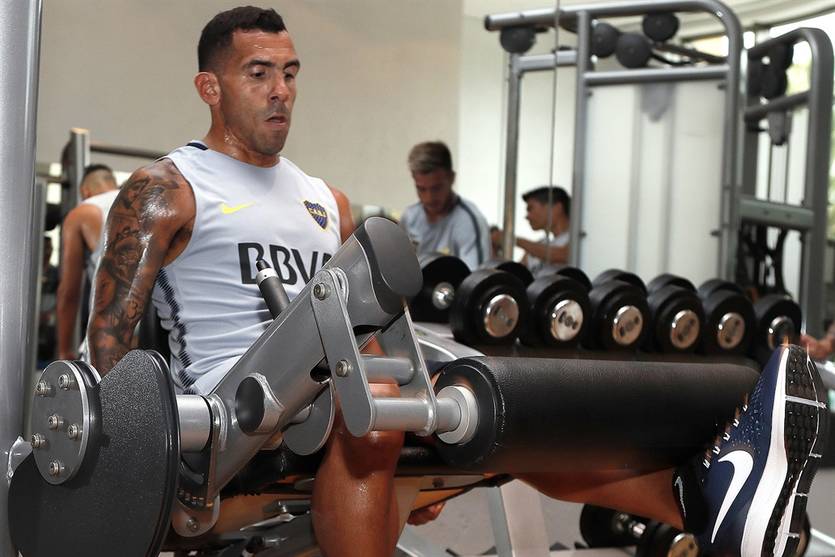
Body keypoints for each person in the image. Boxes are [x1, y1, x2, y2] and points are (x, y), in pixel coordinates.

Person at [86, 8, 828, 557]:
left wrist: (424, 416)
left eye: (290, 73)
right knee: (375, 410)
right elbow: (109, 337)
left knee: (505, 409)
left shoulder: (324, 198)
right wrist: (130, 468)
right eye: (258, 74)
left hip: (337, 392)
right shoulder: (169, 187)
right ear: (210, 87)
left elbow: (362, 327)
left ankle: (709, 506)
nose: (281, 91)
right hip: (229, 414)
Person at [56, 163, 119, 360]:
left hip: (110, 335)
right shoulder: (142, 201)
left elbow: (69, 291)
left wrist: (65, 351)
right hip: (157, 336)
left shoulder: (84, 212)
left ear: (85, 191)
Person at [400, 141, 490, 269]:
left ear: (452, 178)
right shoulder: (410, 217)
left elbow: (474, 278)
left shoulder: (468, 222)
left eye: (436, 188)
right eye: (421, 189)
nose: (429, 198)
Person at [516, 185, 570, 277]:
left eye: (530, 209)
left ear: (557, 208)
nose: (527, 216)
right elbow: (513, 275)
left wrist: (513, 240)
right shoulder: (537, 247)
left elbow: (562, 255)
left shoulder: (577, 240)